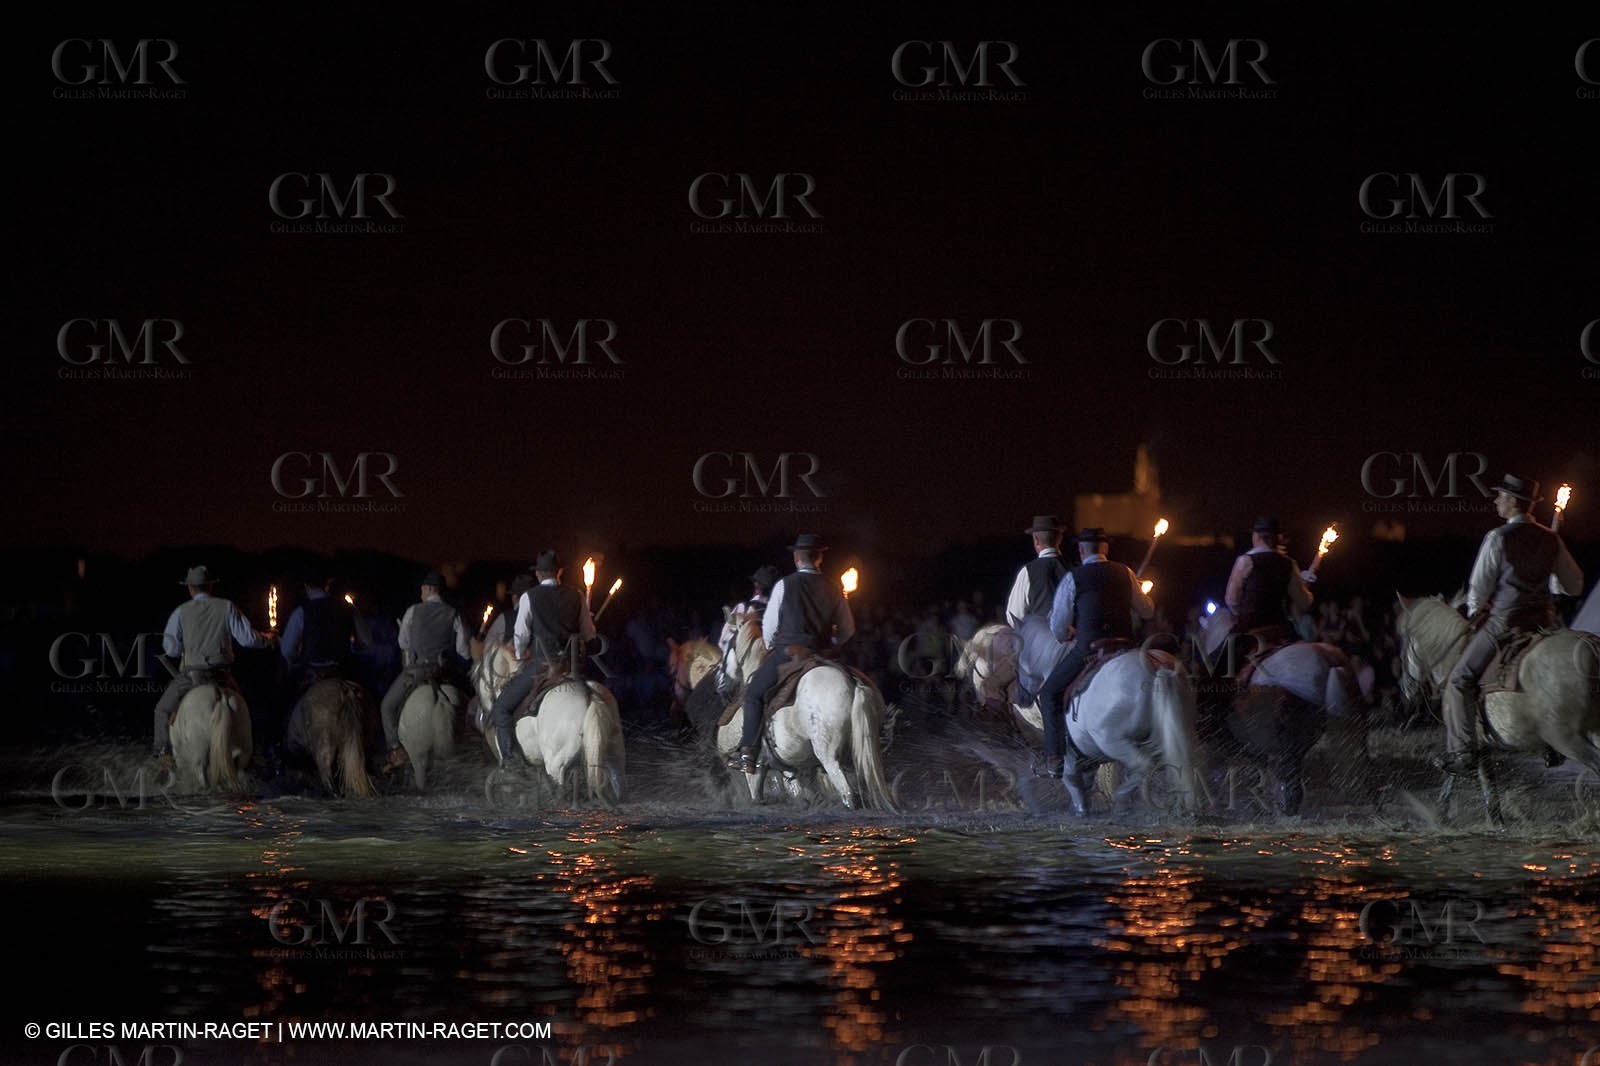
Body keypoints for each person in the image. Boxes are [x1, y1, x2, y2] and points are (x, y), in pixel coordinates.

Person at [1435, 475, 1584, 775]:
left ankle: (1462, 751)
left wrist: (1478, 616)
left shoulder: (1497, 538)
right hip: (1544, 623)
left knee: (1458, 680)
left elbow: (1478, 590)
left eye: (1500, 495)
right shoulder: (1551, 539)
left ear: (1514, 501)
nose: (1496, 500)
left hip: (1505, 623)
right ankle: (1553, 743)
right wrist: (1551, 579)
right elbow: (1574, 586)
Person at [1035, 528, 1155, 778]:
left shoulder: (1073, 578)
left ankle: (1055, 757)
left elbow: (1058, 626)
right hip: (1125, 646)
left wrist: (1065, 634)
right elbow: (1147, 612)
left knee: (1049, 693)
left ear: (1081, 551)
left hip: (1089, 647)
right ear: (1105, 549)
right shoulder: (1127, 573)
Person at [731, 533, 855, 774]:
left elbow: (769, 627)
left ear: (797, 558)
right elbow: (848, 630)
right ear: (819, 558)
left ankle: (748, 752)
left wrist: (769, 646)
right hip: (822, 656)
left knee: (753, 694)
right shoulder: (834, 587)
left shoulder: (784, 585)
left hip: (788, 654)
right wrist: (832, 642)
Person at [152, 566, 273, 764]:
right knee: (246, 711)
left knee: (162, 710)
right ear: (210, 586)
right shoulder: (227, 606)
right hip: (222, 675)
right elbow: (248, 640)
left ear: (190, 588)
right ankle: (255, 755)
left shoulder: (180, 612)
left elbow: (171, 649)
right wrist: (268, 639)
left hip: (192, 676)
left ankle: (164, 755)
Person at [489, 550, 595, 767]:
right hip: (572, 666)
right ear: (560, 572)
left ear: (538, 574)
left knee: (500, 708)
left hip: (542, 665)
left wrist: (519, 656)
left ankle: (511, 763)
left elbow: (521, 635)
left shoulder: (530, 597)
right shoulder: (577, 595)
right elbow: (589, 634)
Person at [378, 570, 470, 772]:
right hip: (443, 672)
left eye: (422, 588)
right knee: (470, 704)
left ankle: (395, 750)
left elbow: (403, 642)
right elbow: (464, 651)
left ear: (429, 589)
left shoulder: (413, 611)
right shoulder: (453, 613)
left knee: (387, 706)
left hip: (417, 672)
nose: (421, 592)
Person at [1224, 516, 1313, 636]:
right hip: (1279, 625)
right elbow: (1304, 602)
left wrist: (1240, 614)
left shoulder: (1245, 561)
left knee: (1220, 653)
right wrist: (1305, 587)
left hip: (1251, 625)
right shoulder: (1289, 563)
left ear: (1256, 536)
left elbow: (1231, 600)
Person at [280, 567, 367, 687]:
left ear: (306, 586)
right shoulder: (350, 609)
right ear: (327, 584)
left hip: (312, 676)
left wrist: (295, 662)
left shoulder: (301, 612)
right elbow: (366, 642)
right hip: (341, 673)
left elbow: (287, 650)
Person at [1006, 515, 1068, 629]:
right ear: (1060, 539)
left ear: (1036, 540)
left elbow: (1015, 615)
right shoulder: (1075, 569)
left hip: (1041, 640)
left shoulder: (1027, 571)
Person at [718, 565, 779, 659]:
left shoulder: (742, 608)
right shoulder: (779, 611)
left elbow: (723, 642)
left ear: (756, 586)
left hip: (744, 666)